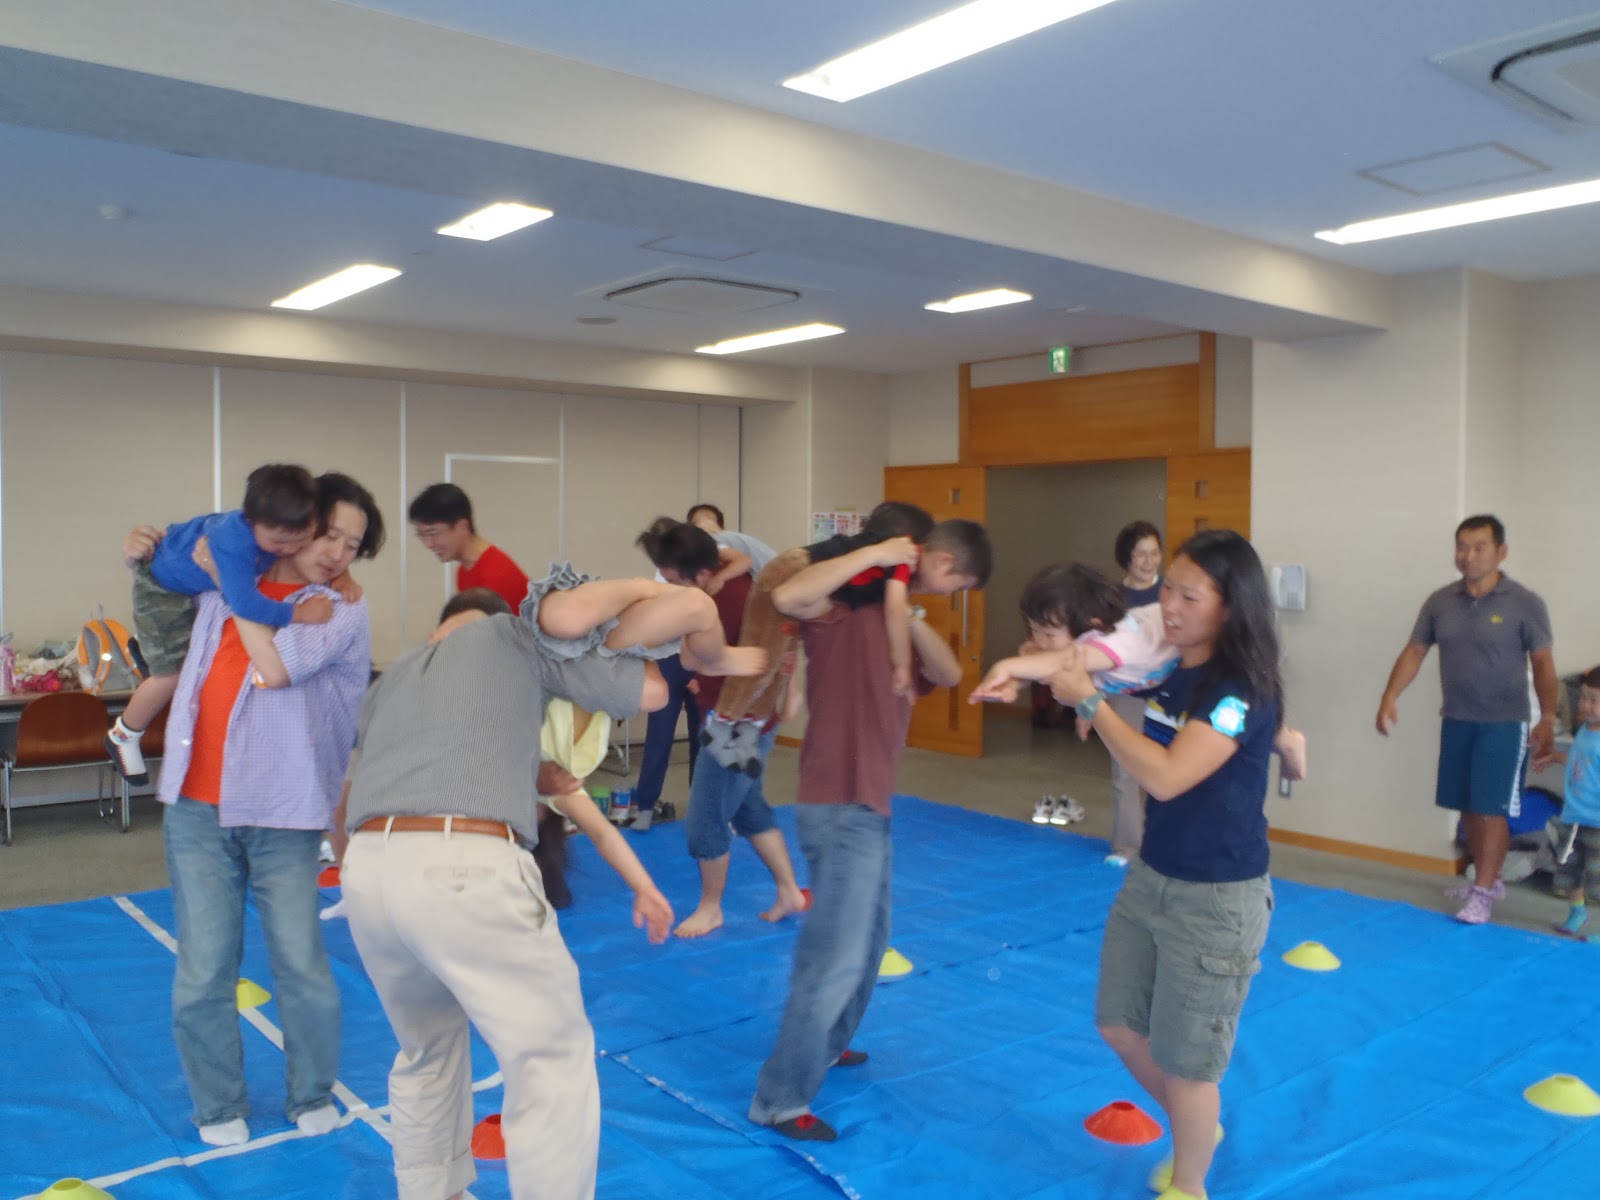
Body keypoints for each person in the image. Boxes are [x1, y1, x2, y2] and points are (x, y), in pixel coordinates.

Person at [336, 567, 684, 1200]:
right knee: (551, 1058)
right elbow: (654, 693)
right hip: (460, 862)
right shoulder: (510, 638)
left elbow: (346, 796)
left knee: (425, 1051)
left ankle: (429, 1191)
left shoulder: (397, 680)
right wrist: (659, 607)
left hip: (368, 869)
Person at [1020, 529, 1302, 1200]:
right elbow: (1108, 663)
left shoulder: (1238, 687)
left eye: (1189, 595)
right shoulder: (1173, 665)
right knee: (1118, 1024)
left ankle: (1191, 1181)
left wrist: (1090, 704)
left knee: (1189, 1065)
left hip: (1217, 898)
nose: (1168, 605)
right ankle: (1195, 1123)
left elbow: (1170, 777)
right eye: (1167, 587)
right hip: (1154, 875)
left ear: (1230, 606)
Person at [130, 473, 383, 1146]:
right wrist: (142, 551)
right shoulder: (222, 584)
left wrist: (233, 582)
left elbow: (272, 668)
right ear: (297, 528)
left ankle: (311, 1092)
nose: (337, 553)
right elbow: (165, 580)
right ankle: (218, 1106)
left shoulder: (336, 609)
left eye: (353, 545)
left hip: (285, 815)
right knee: (204, 967)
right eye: (329, 535)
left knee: (302, 963)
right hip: (196, 809)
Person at [748, 518, 992, 1143]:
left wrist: (907, 610)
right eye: (956, 583)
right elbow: (788, 595)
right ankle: (779, 1100)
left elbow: (951, 675)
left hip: (871, 807)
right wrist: (876, 555)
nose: (951, 595)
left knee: (871, 939)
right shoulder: (837, 610)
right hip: (836, 804)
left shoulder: (897, 621)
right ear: (938, 561)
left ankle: (829, 1045)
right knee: (832, 958)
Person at [1376, 514, 1558, 925]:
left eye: (1479, 547)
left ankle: (1483, 892)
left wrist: (1547, 717)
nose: (1468, 555)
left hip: (1505, 723)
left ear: (1501, 552)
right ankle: (1488, 880)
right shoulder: (1440, 602)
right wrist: (1390, 697)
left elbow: (1544, 663)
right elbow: (1415, 651)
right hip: (1457, 718)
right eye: (1462, 547)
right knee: (1469, 807)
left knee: (1491, 808)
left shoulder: (1525, 603)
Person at [106, 464, 334, 784]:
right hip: (161, 589)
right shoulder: (234, 544)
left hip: (183, 580)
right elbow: (244, 604)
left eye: (301, 541)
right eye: (280, 543)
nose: (291, 550)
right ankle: (124, 734)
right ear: (252, 521)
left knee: (189, 662)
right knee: (171, 675)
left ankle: (151, 651)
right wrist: (300, 614)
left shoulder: (277, 528)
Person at [637, 519, 806, 938]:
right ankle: (789, 892)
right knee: (748, 807)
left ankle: (711, 908)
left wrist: (705, 665)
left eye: (675, 580)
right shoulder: (727, 575)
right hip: (741, 714)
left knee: (705, 819)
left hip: (738, 724)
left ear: (702, 573)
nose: (671, 587)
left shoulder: (722, 599)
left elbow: (694, 658)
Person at [994, 563, 1178, 832]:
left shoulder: (1112, 642)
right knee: (1128, 771)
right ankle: (1129, 845)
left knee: (1158, 778)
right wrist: (1016, 680)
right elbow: (1042, 662)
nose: (1039, 640)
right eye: (1034, 629)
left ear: (1090, 626)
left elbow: (1061, 663)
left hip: (1174, 667)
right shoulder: (1079, 633)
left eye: (1048, 634)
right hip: (1147, 683)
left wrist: (1006, 669)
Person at [1107, 520, 1165, 862]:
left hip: (1169, 691)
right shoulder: (1113, 598)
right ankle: (1128, 846)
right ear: (1126, 558)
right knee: (1125, 771)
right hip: (1126, 691)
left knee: (1170, 768)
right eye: (1140, 554)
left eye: (1154, 553)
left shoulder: (1170, 592)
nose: (1149, 561)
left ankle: (1167, 843)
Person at [409, 482, 530, 609]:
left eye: (433, 533)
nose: (428, 544)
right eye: (422, 535)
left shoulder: (495, 575)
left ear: (462, 526)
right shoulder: (464, 571)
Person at [1549, 667, 1600, 940]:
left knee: (1597, 879)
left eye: (1594, 700)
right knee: (1568, 868)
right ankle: (1577, 912)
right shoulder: (1583, 732)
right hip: (1574, 815)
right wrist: (1558, 758)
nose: (1585, 705)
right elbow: (1582, 765)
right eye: (1583, 698)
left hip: (1597, 821)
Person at [686, 502, 777, 584]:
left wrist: (717, 580)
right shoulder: (738, 539)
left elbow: (744, 561)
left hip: (771, 583)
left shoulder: (714, 540)